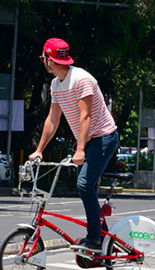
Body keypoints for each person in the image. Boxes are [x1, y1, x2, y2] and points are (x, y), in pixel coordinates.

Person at [29, 38, 119, 253]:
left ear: (49, 61)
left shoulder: (81, 80)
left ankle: (95, 240)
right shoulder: (55, 85)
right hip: (88, 140)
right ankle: (104, 241)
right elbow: (53, 119)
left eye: (43, 58)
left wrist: (80, 150)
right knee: (85, 187)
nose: (43, 62)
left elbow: (85, 117)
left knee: (84, 185)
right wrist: (39, 149)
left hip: (103, 137)